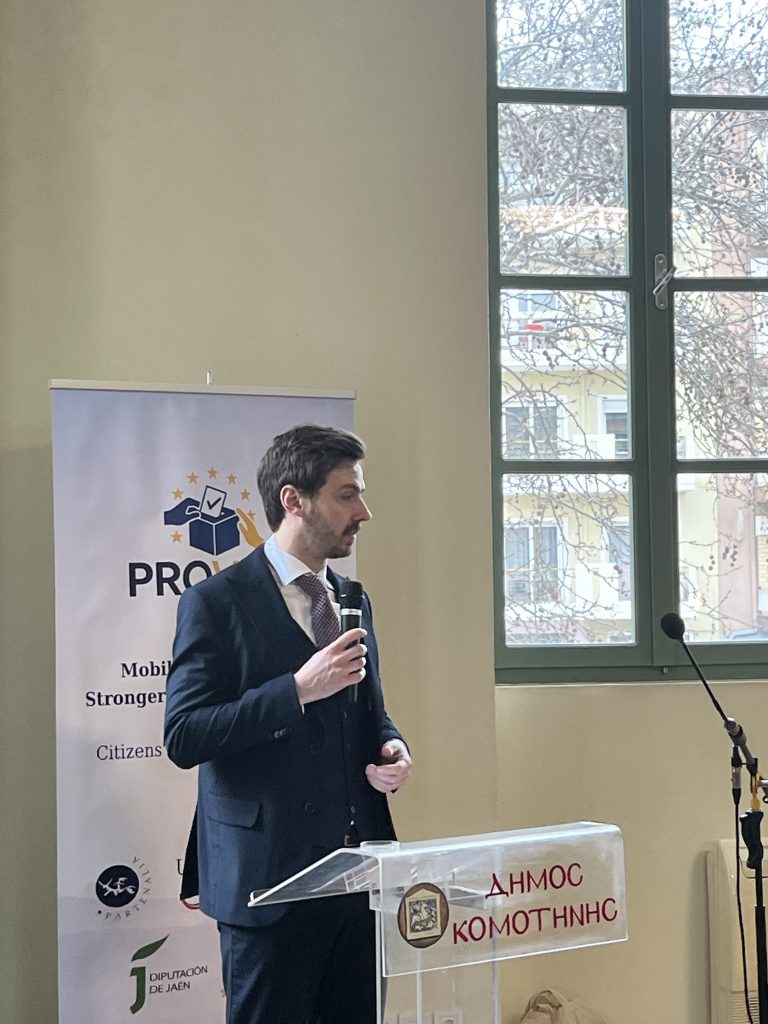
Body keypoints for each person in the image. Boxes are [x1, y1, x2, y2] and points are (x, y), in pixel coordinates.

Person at [164, 424, 413, 1024]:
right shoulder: (216, 601)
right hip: (267, 886)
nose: (364, 512)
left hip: (357, 881)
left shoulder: (352, 597)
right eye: (347, 495)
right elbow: (185, 733)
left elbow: (368, 710)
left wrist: (391, 746)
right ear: (294, 500)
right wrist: (295, 691)